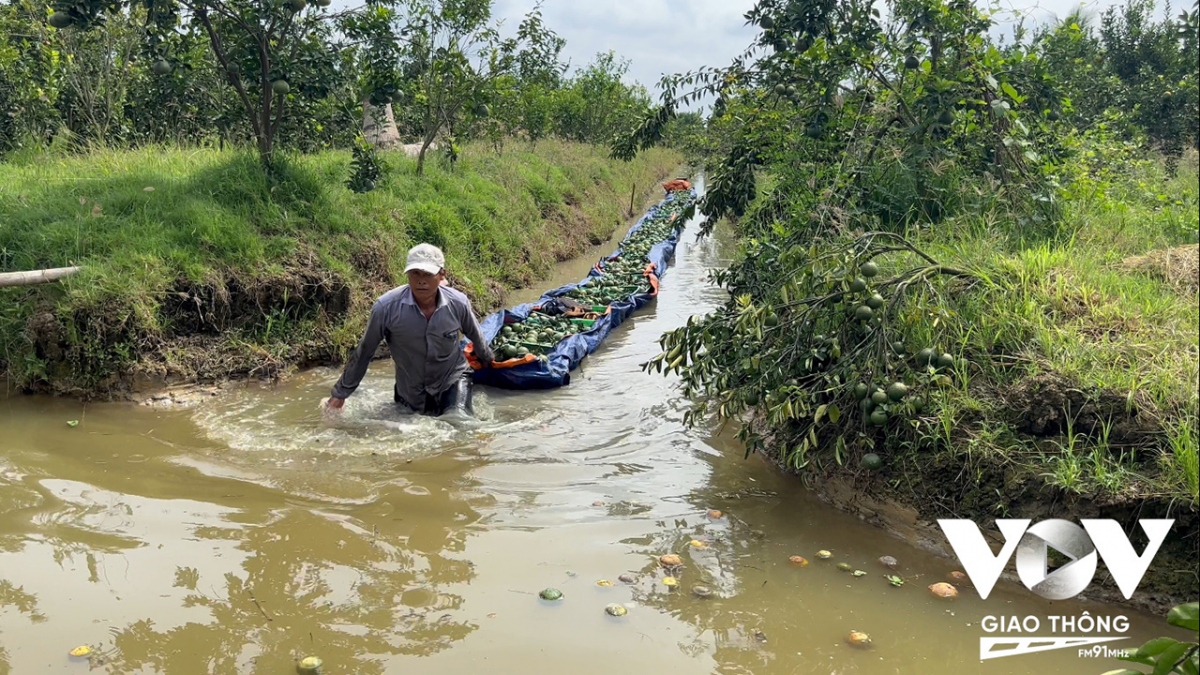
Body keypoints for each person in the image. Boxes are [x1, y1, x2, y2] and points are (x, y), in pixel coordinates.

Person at [325, 243, 494, 417]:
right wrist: (340, 394)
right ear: (407, 275)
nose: (421, 280)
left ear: (442, 274)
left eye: (428, 274)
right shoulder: (386, 308)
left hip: (451, 379)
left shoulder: (458, 303)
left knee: (459, 420)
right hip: (411, 390)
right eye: (415, 274)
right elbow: (365, 351)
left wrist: (488, 359)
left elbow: (476, 335)